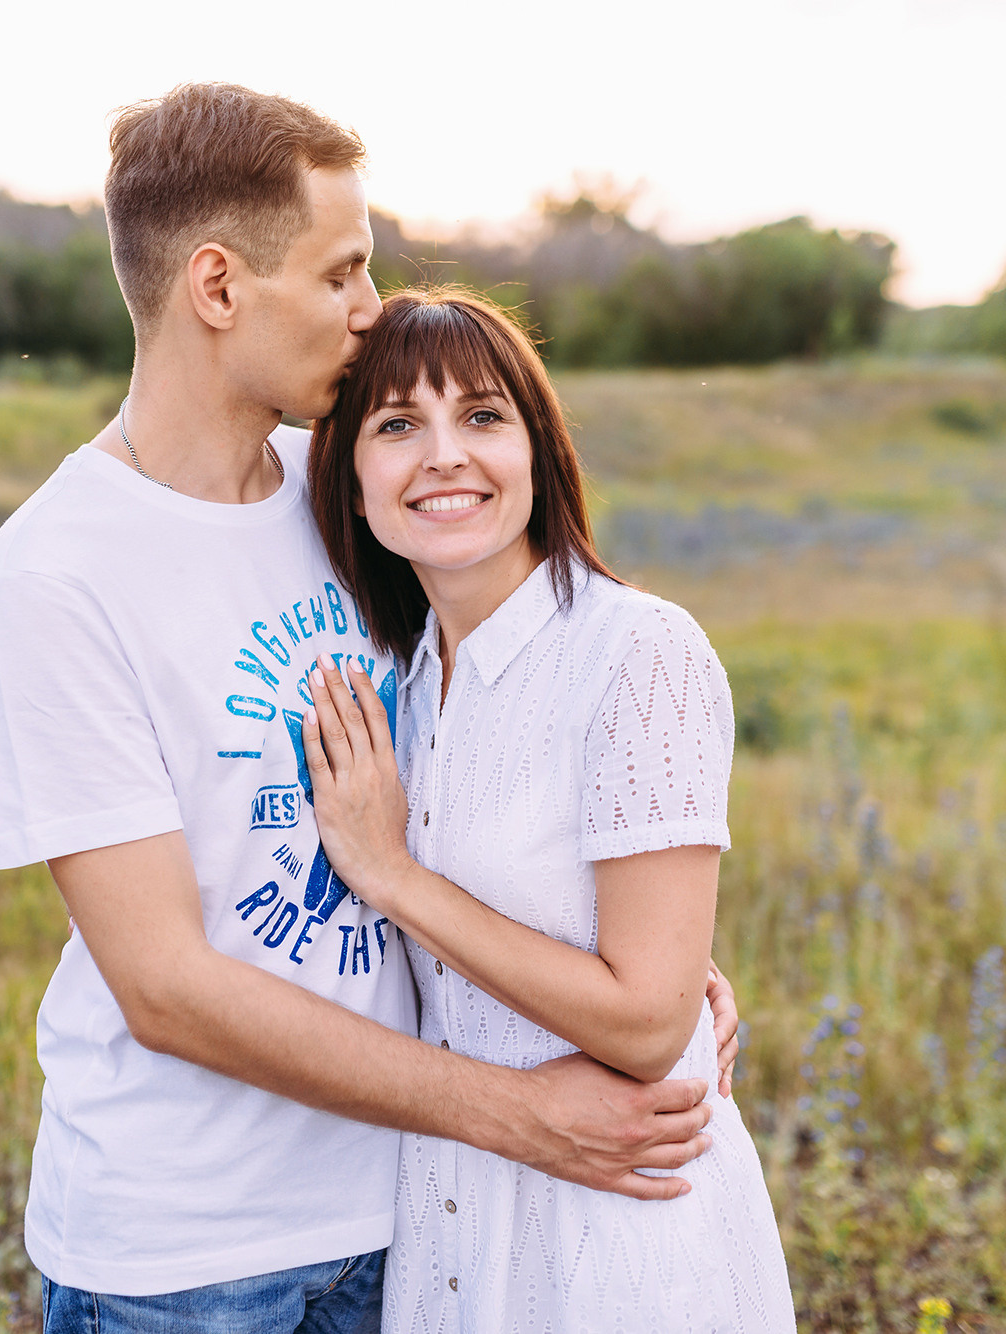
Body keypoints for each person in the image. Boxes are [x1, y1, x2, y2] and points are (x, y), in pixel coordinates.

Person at [0, 84, 742, 1333]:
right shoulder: (57, 574)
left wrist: (641, 954)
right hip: (193, 1256)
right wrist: (519, 1110)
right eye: (341, 273)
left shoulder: (342, 490)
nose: (368, 310)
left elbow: (489, 730)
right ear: (216, 288)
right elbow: (163, 983)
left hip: (411, 1211)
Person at [299, 286, 798, 1333]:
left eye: (481, 416)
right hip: (446, 1215)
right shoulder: (405, 675)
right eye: (396, 425)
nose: (443, 455)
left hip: (609, 1225)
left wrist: (392, 876)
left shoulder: (632, 650)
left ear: (538, 451)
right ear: (348, 480)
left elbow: (651, 1018)